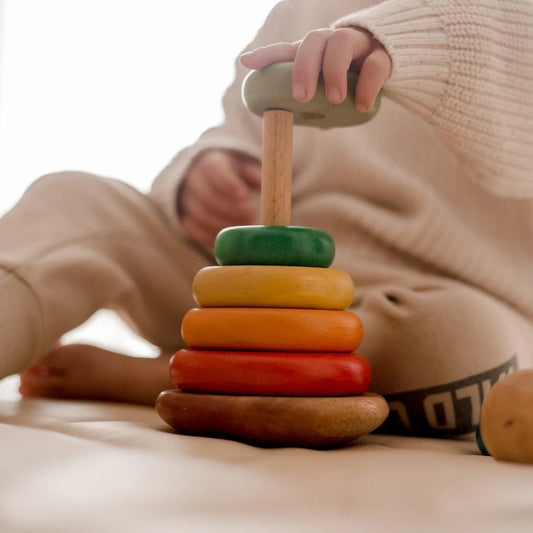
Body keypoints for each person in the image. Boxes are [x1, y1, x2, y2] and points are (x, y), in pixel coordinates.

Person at [4, 0, 533, 435]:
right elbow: (239, 123)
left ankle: (174, 377)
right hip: (246, 294)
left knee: (458, 345)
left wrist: (404, 40)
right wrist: (204, 173)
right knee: (74, 199)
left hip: (409, 310)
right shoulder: (300, 9)